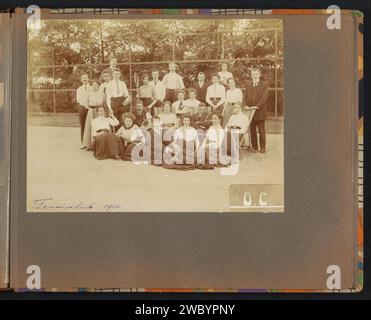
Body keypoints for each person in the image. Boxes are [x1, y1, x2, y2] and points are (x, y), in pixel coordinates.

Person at [244, 68, 269, 153]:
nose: (254, 76)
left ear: (259, 75)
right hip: (250, 112)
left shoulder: (264, 85)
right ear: (251, 75)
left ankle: (262, 147)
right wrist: (245, 105)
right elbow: (245, 96)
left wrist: (257, 106)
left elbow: (264, 97)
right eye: (253, 74)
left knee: (261, 130)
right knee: (252, 129)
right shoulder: (248, 85)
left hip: (260, 111)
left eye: (256, 74)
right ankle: (254, 146)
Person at [82, 80, 106, 150]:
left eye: (96, 85)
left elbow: (104, 102)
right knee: (90, 127)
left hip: (99, 112)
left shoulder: (102, 94)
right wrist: (90, 108)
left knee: (99, 127)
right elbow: (86, 102)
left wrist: (100, 110)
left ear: (99, 86)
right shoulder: (89, 94)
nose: (94, 86)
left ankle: (98, 145)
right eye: (93, 85)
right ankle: (89, 145)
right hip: (91, 111)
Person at [76, 74, 91, 148]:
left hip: (90, 108)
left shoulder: (91, 88)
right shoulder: (79, 89)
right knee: (83, 125)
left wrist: (89, 105)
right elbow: (79, 99)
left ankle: (90, 143)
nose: (84, 79)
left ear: (88, 79)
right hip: (82, 107)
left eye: (86, 77)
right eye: (83, 78)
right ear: (81, 80)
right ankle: (83, 143)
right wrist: (85, 105)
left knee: (90, 124)